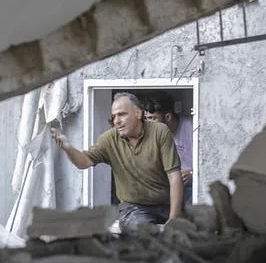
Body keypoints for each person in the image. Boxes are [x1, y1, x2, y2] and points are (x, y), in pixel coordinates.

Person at [51, 92, 183, 229]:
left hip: (166, 205)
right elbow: (84, 162)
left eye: (122, 114)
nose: (116, 121)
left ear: (138, 114)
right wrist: (67, 147)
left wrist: (174, 218)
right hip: (134, 208)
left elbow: (174, 176)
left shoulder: (159, 131)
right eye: (114, 117)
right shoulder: (109, 139)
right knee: (142, 232)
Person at [144, 93, 194, 203]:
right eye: (146, 119)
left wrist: (192, 174)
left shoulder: (192, 126)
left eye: (153, 118)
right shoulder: (152, 135)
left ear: (168, 117)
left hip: (192, 185)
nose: (148, 124)